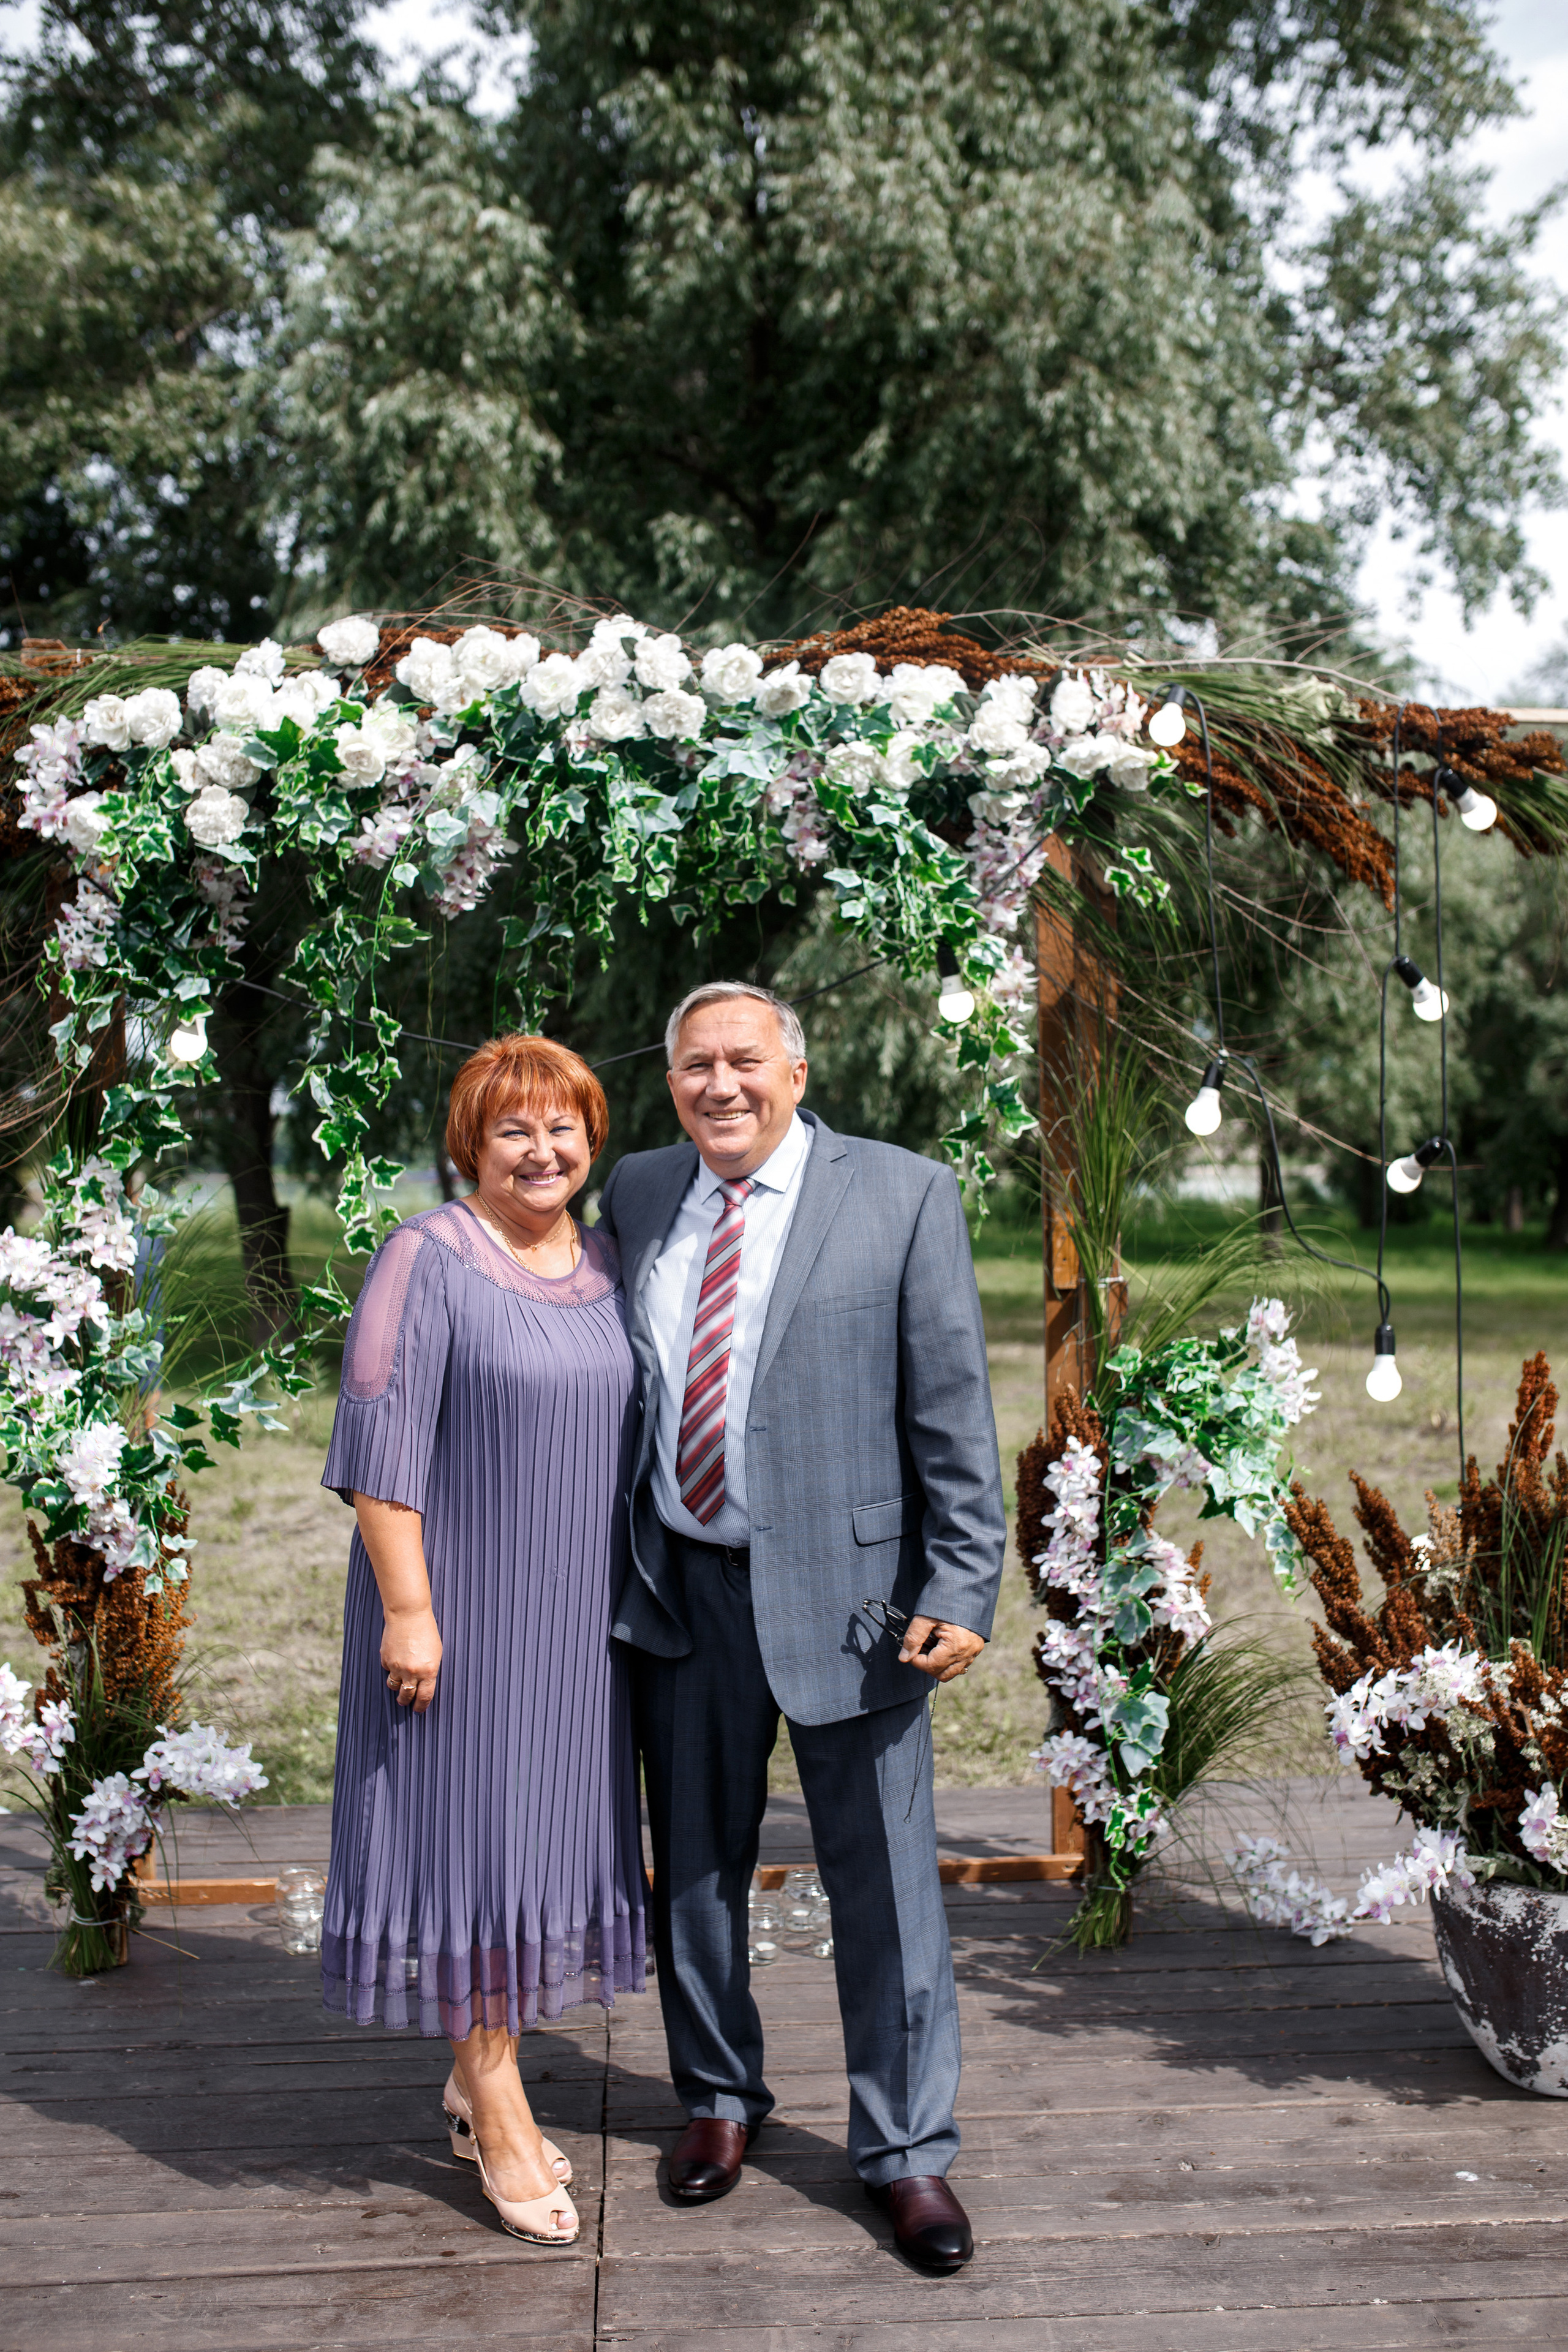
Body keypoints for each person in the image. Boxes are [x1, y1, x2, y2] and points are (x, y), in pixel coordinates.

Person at [596, 980, 1005, 2274]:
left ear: (795, 1065)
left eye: (744, 1061)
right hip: (687, 1590)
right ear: (672, 1085)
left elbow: (950, 1409)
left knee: (882, 1889)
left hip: (857, 1603)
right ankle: (716, 2101)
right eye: (696, 1066)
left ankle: (904, 2154)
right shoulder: (641, 1193)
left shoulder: (899, 1192)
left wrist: (962, 1579)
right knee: (698, 1876)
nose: (721, 1084)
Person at [319, 1034, 645, 2248]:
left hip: (570, 1633)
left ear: (590, 1138)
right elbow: (377, 1444)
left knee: (535, 1854)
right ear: (471, 1142)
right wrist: (409, 1609)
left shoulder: (602, 1260)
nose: (541, 1148)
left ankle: (472, 2075)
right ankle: (499, 2110)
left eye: (561, 1126)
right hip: (454, 1624)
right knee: (465, 1856)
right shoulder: (426, 1257)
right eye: (513, 1129)